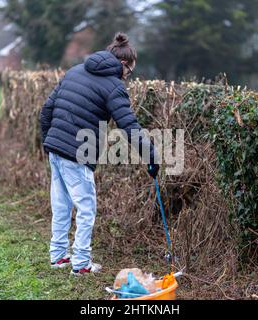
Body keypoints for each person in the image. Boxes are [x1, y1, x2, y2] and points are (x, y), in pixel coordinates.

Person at [39, 32, 159, 276]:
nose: (127, 77)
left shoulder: (74, 71)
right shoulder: (114, 86)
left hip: (56, 147)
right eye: (130, 71)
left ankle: (59, 256)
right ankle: (81, 263)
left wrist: (49, 142)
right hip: (78, 154)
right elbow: (130, 126)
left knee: (61, 204)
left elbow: (46, 110)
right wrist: (152, 157)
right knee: (86, 208)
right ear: (124, 64)